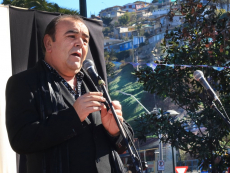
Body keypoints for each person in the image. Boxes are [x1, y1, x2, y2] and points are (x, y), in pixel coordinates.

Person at [5, 15, 133, 173]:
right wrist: (73, 116)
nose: (80, 43)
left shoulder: (95, 84)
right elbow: (21, 140)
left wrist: (115, 130)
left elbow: (124, 145)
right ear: (48, 43)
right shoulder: (24, 83)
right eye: (72, 36)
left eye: (85, 40)